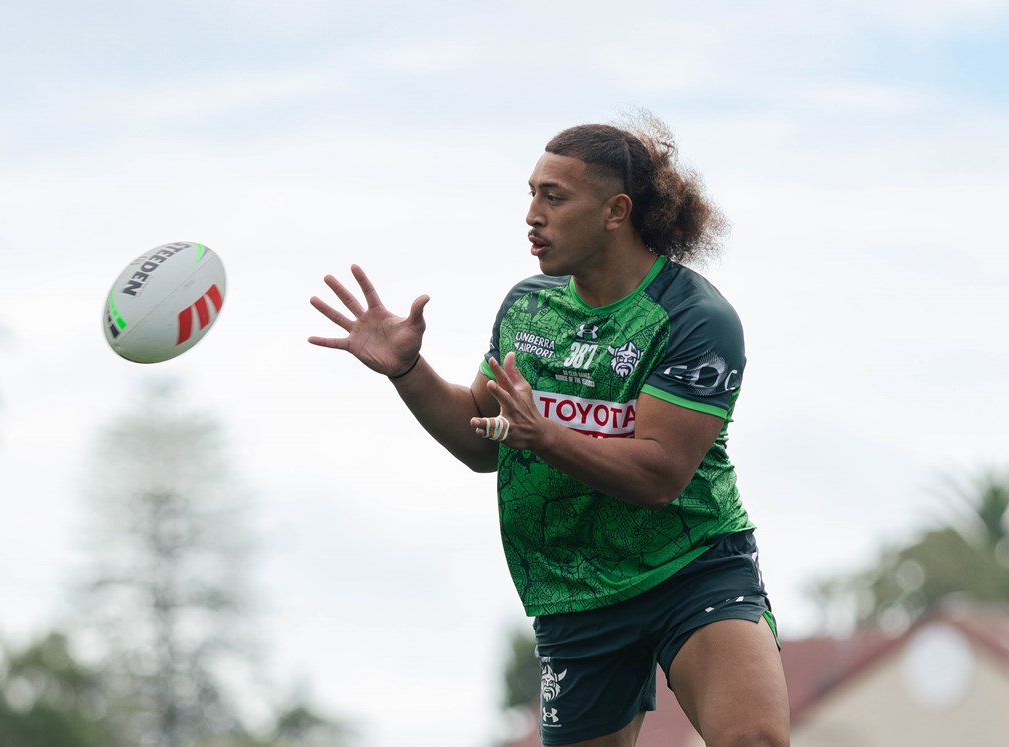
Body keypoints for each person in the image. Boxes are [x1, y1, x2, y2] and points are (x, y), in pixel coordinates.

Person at [308, 113, 790, 747]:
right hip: (573, 586)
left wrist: (545, 436)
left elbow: (660, 476)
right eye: (531, 195)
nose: (532, 215)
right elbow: (484, 443)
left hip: (691, 565)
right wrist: (408, 370)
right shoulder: (528, 307)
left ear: (616, 211)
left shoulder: (693, 317)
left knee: (752, 740)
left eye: (553, 197)